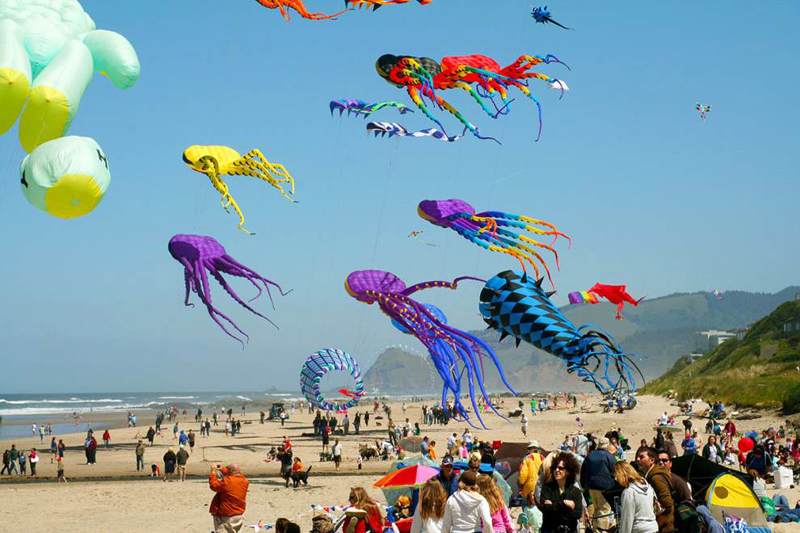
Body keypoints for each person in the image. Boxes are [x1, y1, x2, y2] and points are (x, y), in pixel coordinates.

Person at [537, 453, 583, 533]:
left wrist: (553, 506)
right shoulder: (547, 488)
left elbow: (577, 514)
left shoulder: (575, 491)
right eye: (555, 468)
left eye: (561, 468)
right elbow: (545, 509)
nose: (557, 470)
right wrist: (564, 504)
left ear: (568, 471)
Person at [635, 447, 674, 533]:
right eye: (637, 457)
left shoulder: (656, 478)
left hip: (664, 527)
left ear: (652, 460)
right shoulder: (651, 475)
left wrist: (655, 526)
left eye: (641, 457)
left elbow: (668, 505)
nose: (637, 459)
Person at [613, 461, 658, 533]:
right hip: (652, 527)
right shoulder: (648, 487)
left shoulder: (629, 492)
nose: (615, 479)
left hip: (639, 529)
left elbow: (627, 519)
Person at [209, 463, 249, 533]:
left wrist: (213, 472)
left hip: (227, 515)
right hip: (239, 514)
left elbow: (213, 485)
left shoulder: (228, 481)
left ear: (230, 471)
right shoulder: (244, 480)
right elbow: (234, 474)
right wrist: (222, 469)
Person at [518, 441, 544, 506]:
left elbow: (523, 474)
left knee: (525, 503)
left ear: (529, 449)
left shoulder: (527, 458)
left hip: (529, 485)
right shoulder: (543, 458)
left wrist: (521, 484)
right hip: (541, 485)